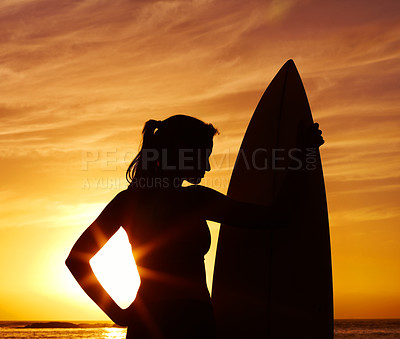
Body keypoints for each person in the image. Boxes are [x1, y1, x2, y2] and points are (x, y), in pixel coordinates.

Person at [65, 115, 324, 338]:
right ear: (181, 152)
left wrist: (119, 314)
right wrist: (303, 154)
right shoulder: (197, 200)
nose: (208, 166)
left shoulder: (129, 201)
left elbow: (76, 260)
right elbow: (276, 217)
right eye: (204, 156)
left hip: (148, 323)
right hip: (192, 323)